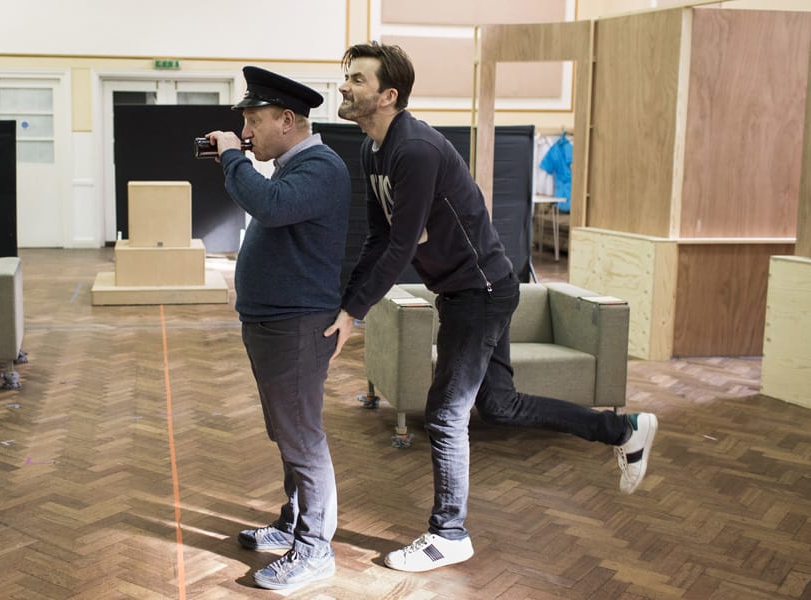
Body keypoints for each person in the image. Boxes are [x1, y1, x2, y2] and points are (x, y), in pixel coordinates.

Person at [324, 42, 658, 573]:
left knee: (446, 412)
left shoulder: (416, 150)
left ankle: (449, 532)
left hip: (480, 293)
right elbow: (379, 237)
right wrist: (346, 306)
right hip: (468, 290)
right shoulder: (372, 150)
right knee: (499, 405)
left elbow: (400, 246)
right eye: (347, 77)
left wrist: (352, 314)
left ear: (388, 95)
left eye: (357, 80)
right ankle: (622, 430)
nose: (344, 85)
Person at [205, 66, 351, 590]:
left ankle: (315, 550)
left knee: (302, 437)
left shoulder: (321, 166)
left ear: (287, 119)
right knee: (285, 431)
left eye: (253, 120)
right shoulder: (294, 165)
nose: (246, 132)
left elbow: (268, 207)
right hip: (272, 323)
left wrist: (229, 157)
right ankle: (293, 523)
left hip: (294, 326)